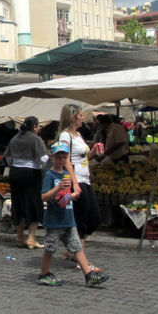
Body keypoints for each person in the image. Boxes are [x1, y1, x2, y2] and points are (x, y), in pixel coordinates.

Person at [37, 142, 109, 287]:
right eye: (59, 157)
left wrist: (73, 195)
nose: (62, 160)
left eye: (64, 157)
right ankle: (43, 274)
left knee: (77, 247)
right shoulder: (49, 176)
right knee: (50, 248)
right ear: (52, 157)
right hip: (55, 221)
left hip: (69, 219)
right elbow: (44, 197)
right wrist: (57, 188)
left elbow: (65, 196)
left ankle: (88, 275)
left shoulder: (66, 175)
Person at [58, 104, 104, 249]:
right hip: (76, 178)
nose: (83, 118)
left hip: (85, 178)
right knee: (82, 218)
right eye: (80, 115)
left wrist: (93, 152)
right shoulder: (65, 135)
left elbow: (83, 158)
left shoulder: (78, 135)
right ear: (73, 118)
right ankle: (78, 252)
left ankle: (74, 249)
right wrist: (75, 183)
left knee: (94, 218)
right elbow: (66, 159)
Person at [4, 116, 47, 249]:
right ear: (34, 126)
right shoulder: (36, 139)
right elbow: (44, 158)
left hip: (15, 173)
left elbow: (7, 156)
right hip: (31, 174)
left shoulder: (15, 138)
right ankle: (31, 237)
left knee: (19, 202)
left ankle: (20, 234)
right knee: (33, 203)